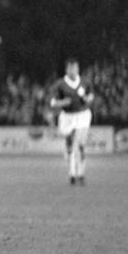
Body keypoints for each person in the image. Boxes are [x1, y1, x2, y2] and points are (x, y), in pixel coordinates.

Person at [48, 58, 94, 186]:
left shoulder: (85, 82)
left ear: (78, 69)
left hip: (82, 115)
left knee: (80, 145)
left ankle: (81, 174)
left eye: (75, 68)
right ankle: (72, 174)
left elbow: (91, 96)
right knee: (69, 146)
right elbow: (52, 102)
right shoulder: (60, 84)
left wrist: (87, 98)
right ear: (66, 69)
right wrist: (63, 102)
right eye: (70, 68)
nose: (73, 70)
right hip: (67, 117)